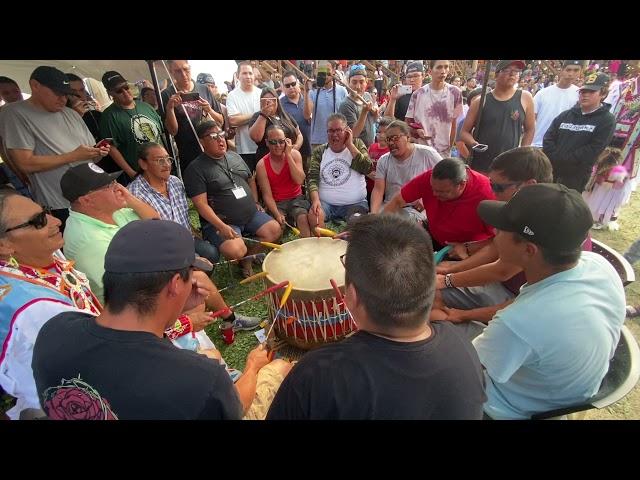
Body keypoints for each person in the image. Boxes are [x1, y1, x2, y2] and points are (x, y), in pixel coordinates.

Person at [32, 219, 292, 420]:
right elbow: (237, 407)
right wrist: (253, 367)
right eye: (190, 275)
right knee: (280, 371)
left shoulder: (55, 331)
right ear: (176, 283)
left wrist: (174, 309)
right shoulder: (200, 378)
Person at [267, 214, 486, 420]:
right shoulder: (464, 348)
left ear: (350, 297)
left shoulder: (318, 373)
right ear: (431, 283)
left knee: (273, 375)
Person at [473, 183, 625, 419]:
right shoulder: (599, 266)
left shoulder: (519, 322)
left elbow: (466, 370)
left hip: (509, 408)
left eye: (502, 229)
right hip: (565, 395)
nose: (495, 233)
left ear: (529, 250)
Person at [0, 189, 101, 419]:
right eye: (39, 221)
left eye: (46, 212)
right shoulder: (33, 308)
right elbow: (104, 354)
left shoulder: (41, 255)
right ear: (4, 246)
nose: (56, 221)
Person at [0, 66, 110, 230]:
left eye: (65, 94)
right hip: (60, 203)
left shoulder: (71, 113)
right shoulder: (14, 113)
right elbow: (25, 163)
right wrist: (73, 156)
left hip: (93, 193)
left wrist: (97, 152)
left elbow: (88, 154)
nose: (63, 99)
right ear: (35, 86)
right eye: (57, 93)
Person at [183, 121, 281, 278]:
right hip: (223, 222)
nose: (220, 140)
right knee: (235, 250)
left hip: (250, 214)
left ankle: (248, 258)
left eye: (221, 134)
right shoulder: (196, 169)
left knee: (274, 229)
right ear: (201, 142)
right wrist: (221, 226)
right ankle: (242, 255)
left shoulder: (234, 156)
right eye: (213, 136)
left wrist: (255, 201)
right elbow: (200, 205)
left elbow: (250, 179)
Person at [60, 162, 160, 303]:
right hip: (131, 303)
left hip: (148, 279)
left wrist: (130, 199)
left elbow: (156, 223)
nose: (119, 188)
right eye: (109, 186)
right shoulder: (88, 241)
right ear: (87, 200)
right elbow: (124, 291)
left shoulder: (112, 210)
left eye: (114, 182)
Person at [127, 142, 220, 263]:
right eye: (159, 160)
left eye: (168, 159)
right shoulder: (134, 193)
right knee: (197, 266)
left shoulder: (175, 182)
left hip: (186, 239)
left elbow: (186, 212)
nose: (166, 165)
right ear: (143, 164)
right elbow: (143, 236)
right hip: (163, 250)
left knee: (212, 254)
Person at [383, 158, 495, 251]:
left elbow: (497, 240)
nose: (434, 194)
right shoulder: (430, 178)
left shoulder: (486, 193)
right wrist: (379, 227)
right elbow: (397, 201)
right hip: (434, 232)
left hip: (467, 250)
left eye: (442, 192)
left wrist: (467, 248)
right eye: (432, 188)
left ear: (461, 184)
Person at [543, 72, 616, 192]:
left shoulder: (607, 120)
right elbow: (548, 137)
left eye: (591, 92)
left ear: (603, 94)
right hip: (551, 170)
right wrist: (554, 156)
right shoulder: (566, 115)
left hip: (576, 176)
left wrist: (565, 159)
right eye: (583, 91)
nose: (585, 95)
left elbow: (594, 148)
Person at [460, 60, 535, 173]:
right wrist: (474, 144)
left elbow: (530, 129)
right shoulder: (480, 101)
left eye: (516, 71)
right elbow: (464, 132)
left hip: (509, 164)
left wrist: (523, 153)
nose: (512, 74)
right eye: (507, 70)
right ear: (496, 75)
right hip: (481, 164)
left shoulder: (525, 98)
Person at [307, 113, 372, 227]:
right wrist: (316, 200)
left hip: (355, 204)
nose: (335, 135)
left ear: (347, 131)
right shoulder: (320, 151)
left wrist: (350, 145)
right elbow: (312, 178)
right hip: (326, 204)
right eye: (331, 131)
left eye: (339, 130)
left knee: (357, 223)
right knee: (314, 217)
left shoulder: (357, 144)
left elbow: (367, 168)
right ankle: (325, 242)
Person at [99, 71, 164, 184]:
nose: (125, 92)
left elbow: (161, 132)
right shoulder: (109, 116)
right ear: (110, 93)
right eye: (119, 90)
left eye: (126, 87)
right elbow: (111, 148)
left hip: (163, 165)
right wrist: (131, 173)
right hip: (141, 173)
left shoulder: (145, 106)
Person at [370, 120, 441, 220]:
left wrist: (427, 199)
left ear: (407, 137)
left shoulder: (427, 154)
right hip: (390, 208)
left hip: (417, 210)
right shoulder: (383, 160)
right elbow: (378, 189)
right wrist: (373, 214)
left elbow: (446, 178)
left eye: (395, 138)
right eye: (388, 139)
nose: (391, 143)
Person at [161, 60, 224, 173]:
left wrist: (209, 110)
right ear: (171, 72)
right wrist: (170, 108)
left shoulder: (203, 89)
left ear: (190, 68)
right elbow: (172, 131)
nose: (184, 75)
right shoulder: (167, 94)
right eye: (178, 71)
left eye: (186, 69)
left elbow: (220, 121)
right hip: (188, 154)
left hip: (212, 149)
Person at [255, 126, 311, 237]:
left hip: (297, 198)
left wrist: (289, 155)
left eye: (281, 141)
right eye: (273, 142)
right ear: (267, 142)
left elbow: (299, 180)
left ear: (287, 141)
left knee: (303, 219)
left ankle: (308, 249)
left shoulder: (294, 155)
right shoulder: (261, 165)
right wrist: (276, 214)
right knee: (278, 227)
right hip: (278, 202)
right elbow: (267, 195)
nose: (278, 146)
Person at [405, 60, 463, 157]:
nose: (443, 71)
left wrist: (449, 148)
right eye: (439, 67)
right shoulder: (418, 94)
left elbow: (453, 124)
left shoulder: (455, 93)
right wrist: (416, 131)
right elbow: (408, 124)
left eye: (446, 67)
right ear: (430, 71)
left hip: (443, 152)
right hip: (421, 150)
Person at [531, 60, 582, 147]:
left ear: (580, 72)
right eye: (568, 70)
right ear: (562, 70)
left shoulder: (580, 95)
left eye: (576, 70)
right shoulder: (543, 93)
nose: (571, 74)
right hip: (539, 144)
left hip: (563, 147)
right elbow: (531, 118)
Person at [225, 62, 263, 173]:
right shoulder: (232, 96)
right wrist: (258, 115)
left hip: (262, 146)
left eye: (250, 73)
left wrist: (242, 118)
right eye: (244, 73)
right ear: (238, 76)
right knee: (248, 180)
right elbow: (233, 120)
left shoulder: (261, 93)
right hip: (244, 148)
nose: (248, 76)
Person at [249, 87, 302, 162]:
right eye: (266, 100)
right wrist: (264, 114)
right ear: (261, 102)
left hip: (289, 158)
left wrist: (294, 148)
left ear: (277, 101)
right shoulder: (258, 116)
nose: (269, 102)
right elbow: (256, 137)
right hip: (269, 161)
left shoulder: (284, 115)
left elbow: (299, 134)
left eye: (272, 99)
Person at [583, 147, 628, 230]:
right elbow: (620, 181)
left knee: (595, 203)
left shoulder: (601, 164)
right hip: (607, 189)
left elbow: (598, 179)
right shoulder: (618, 168)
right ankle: (596, 220)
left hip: (600, 187)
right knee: (601, 205)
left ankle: (592, 218)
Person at [306, 61, 348, 148]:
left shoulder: (342, 91)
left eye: (327, 71)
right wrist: (306, 91)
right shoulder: (312, 92)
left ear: (333, 71)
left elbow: (346, 117)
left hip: (338, 139)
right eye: (322, 71)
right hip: (317, 141)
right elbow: (307, 115)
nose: (324, 74)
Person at [338, 64, 379, 147]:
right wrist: (364, 112)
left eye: (361, 82)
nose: (358, 86)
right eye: (354, 82)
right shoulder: (346, 105)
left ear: (366, 82)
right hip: (356, 149)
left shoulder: (367, 95)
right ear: (348, 82)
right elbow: (354, 134)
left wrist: (375, 114)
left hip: (370, 146)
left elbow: (373, 120)